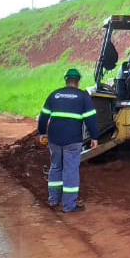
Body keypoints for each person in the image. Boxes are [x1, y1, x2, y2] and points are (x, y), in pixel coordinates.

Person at [36, 67, 99, 213]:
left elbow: (44, 115)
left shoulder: (55, 95)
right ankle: (69, 205)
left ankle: (53, 200)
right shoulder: (83, 96)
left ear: (66, 80)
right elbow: (91, 119)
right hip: (72, 139)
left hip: (54, 138)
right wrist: (94, 137)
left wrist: (41, 133)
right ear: (78, 81)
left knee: (56, 167)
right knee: (70, 170)